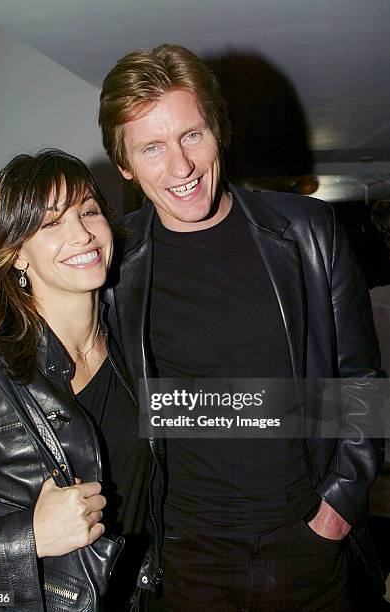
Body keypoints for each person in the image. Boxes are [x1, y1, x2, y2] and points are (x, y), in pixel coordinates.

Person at [98, 44, 386, 611]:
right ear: (125, 165)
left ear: (218, 133)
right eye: (151, 147)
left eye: (192, 136)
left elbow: (359, 379)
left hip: (307, 541)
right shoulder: (115, 262)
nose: (179, 168)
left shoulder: (307, 232)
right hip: (185, 557)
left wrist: (339, 504)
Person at [0, 149, 152, 610]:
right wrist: (27, 538)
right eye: (50, 224)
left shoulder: (134, 348)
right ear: (16, 255)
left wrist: (350, 435)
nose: (82, 233)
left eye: (88, 211)